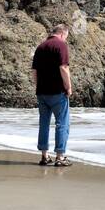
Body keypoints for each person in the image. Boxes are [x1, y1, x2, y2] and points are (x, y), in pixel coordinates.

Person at [30, 22, 72, 168]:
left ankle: (44, 156)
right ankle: (60, 157)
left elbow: (34, 72)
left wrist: (39, 86)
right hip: (57, 92)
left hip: (42, 92)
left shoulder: (40, 47)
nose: (65, 40)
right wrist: (68, 87)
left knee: (44, 123)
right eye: (66, 37)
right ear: (62, 33)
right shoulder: (61, 45)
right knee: (62, 123)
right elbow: (64, 68)